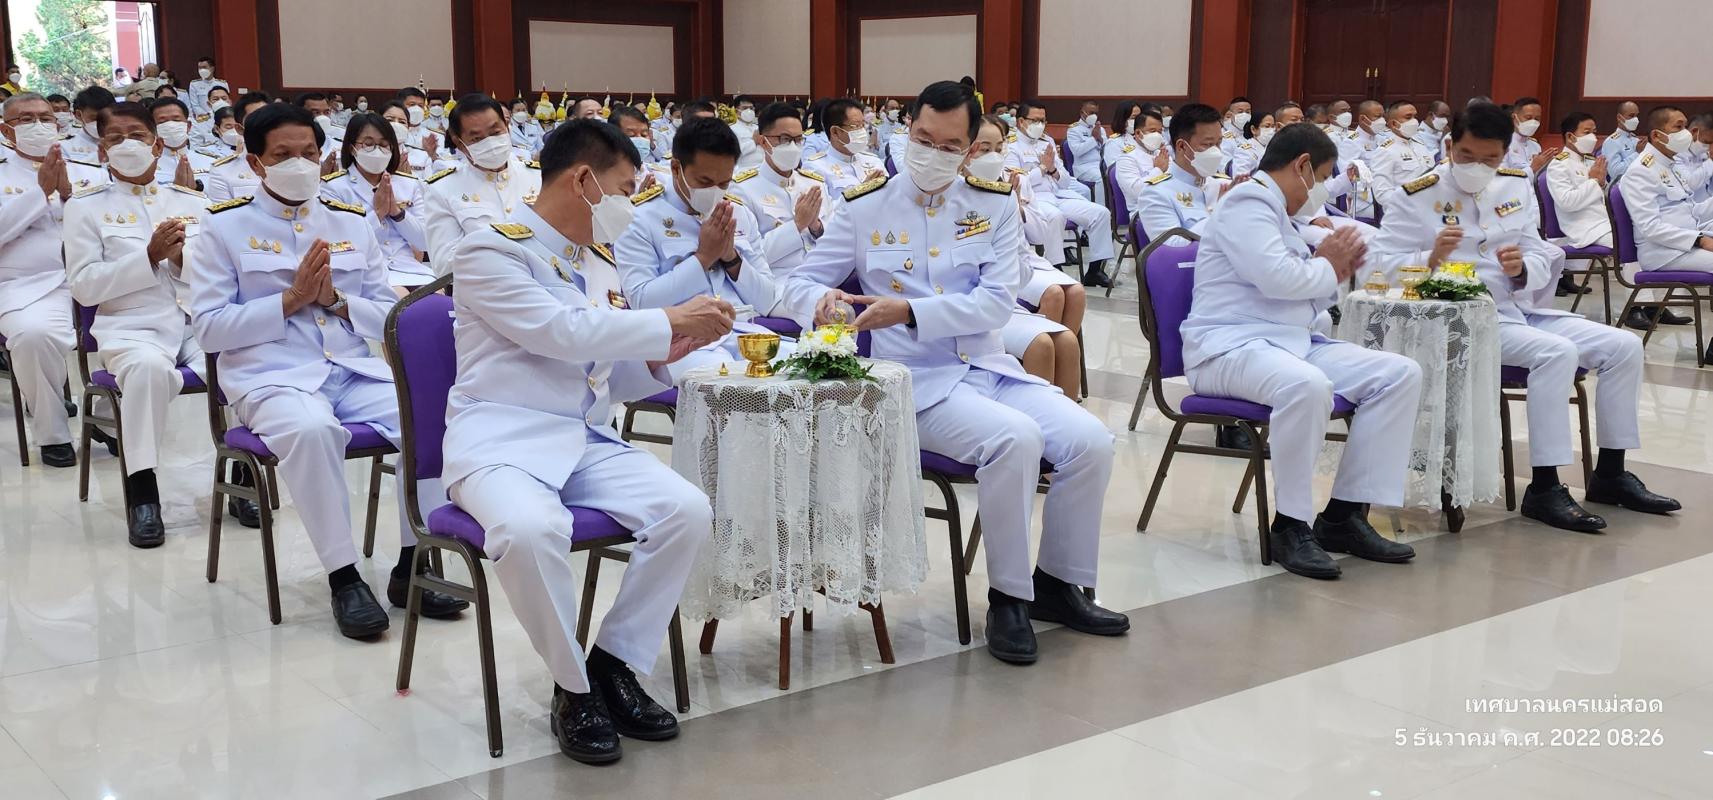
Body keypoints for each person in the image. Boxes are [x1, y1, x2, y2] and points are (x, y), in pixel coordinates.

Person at [781, 80, 1128, 664]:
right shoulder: (865, 207)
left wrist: (911, 310)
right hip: (913, 383)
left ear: (969, 149)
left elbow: (997, 302)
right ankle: (1008, 598)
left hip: (987, 366)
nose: (932, 153)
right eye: (923, 139)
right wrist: (821, 302)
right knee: (1014, 440)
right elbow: (801, 279)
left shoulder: (992, 204)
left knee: (1090, 441)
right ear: (907, 130)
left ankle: (1057, 583)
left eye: (949, 146)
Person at [444, 118, 727, 765]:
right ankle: (573, 690)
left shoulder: (595, 261)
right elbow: (560, 333)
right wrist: (665, 319)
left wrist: (661, 355)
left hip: (581, 438)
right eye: (624, 189)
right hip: (500, 441)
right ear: (582, 180)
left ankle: (613, 663)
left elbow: (602, 372)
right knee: (528, 530)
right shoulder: (490, 250)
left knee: (685, 510)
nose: (630, 203)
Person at [186, 102, 467, 639]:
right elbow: (210, 330)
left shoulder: (349, 220)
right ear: (255, 163)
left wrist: (336, 301)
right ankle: (344, 577)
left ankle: (413, 563)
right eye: (282, 155)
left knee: (435, 419)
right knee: (313, 430)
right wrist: (289, 300)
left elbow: (389, 314)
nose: (299, 164)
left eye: (309, 153)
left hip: (352, 370)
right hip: (271, 375)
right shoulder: (223, 226)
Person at [1373, 102, 1679, 532]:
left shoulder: (1514, 185)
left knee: (1624, 346)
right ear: (1449, 145)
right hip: (1457, 322)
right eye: (1466, 155)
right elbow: (1380, 267)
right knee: (1556, 353)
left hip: (1516, 308)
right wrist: (1430, 257)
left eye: (1489, 158)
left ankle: (1610, 473)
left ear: (1504, 152)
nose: (1477, 167)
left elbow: (1538, 250)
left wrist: (1521, 270)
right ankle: (1545, 487)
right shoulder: (1416, 195)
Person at [1183, 122, 1421, 578]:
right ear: (1302, 166)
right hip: (1227, 348)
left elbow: (1302, 292)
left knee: (1398, 374)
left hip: (1286, 344)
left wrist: (1330, 268)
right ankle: (1291, 525)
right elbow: (1280, 280)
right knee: (1307, 386)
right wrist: (1329, 266)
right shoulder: (1248, 203)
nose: (1323, 189)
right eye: (1324, 177)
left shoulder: (1277, 212)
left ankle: (1344, 516)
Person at [63, 101, 207, 547]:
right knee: (147, 370)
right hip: (132, 327)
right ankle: (142, 491)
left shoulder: (192, 202)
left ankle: (240, 474)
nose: (127, 145)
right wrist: (148, 257)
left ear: (157, 145)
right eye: (115, 138)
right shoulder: (85, 208)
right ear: (102, 151)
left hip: (196, 322)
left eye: (138, 136)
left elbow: (220, 274)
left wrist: (180, 259)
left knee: (244, 357)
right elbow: (84, 286)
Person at [615, 117, 780, 380]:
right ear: (676, 168)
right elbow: (642, 302)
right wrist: (703, 258)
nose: (715, 191)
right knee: (731, 384)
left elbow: (766, 299)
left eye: (724, 183)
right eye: (704, 181)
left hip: (742, 333)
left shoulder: (738, 213)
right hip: (682, 344)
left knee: (805, 369)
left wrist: (731, 258)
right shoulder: (639, 218)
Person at [0, 92, 108, 468]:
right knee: (33, 336)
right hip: (26, 284)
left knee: (137, 329)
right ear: (6, 131)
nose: (39, 125)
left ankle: (106, 421)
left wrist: (67, 196)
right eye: (26, 119)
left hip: (94, 275)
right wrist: (40, 193)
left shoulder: (90, 169)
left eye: (45, 118)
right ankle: (53, 433)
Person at [970, 115, 1084, 398]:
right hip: (973, 301)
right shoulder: (956, 195)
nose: (993, 156)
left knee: (1067, 341)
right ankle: (1038, 412)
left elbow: (1026, 255)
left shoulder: (1009, 188)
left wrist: (1014, 207)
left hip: (1009, 287)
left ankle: (1064, 415)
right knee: (1042, 342)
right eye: (984, 149)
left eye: (999, 148)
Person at [422, 94, 543, 272]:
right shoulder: (442, 189)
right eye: (477, 139)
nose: (490, 142)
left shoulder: (539, 176)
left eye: (495, 133)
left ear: (507, 127)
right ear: (459, 143)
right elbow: (445, 265)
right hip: (488, 285)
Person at [1006, 100, 1116, 287]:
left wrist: (1053, 170)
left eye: (1043, 121)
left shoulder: (1047, 142)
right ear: (1021, 122)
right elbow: (1019, 183)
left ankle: (1095, 270)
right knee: (1055, 217)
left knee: (1101, 213)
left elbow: (1065, 179)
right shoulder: (1011, 146)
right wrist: (1042, 169)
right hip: (1033, 199)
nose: (1040, 125)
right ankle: (1055, 268)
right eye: (1035, 120)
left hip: (1058, 195)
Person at [320, 112, 434, 291]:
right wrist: (378, 214)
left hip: (410, 270)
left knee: (439, 300)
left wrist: (397, 213)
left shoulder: (408, 184)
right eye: (368, 144)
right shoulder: (334, 187)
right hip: (365, 273)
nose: (377, 150)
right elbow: (341, 246)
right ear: (352, 148)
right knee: (405, 301)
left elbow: (424, 241)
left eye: (383, 144)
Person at [728, 102, 827, 302]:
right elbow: (747, 260)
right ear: (763, 142)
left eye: (798, 140)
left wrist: (816, 227)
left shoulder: (814, 183)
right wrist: (797, 225)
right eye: (785, 139)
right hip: (778, 285)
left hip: (824, 277)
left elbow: (835, 242)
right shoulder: (742, 190)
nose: (793, 147)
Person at [1620, 105, 1713, 277]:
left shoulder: (1670, 163)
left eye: (1685, 126)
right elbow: (1650, 227)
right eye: (1678, 127)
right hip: (1664, 253)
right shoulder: (1640, 171)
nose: (1686, 133)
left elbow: (1691, 210)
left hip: (1689, 238)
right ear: (1656, 135)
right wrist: (1699, 240)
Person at [1135, 103, 1234, 245]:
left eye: (1218, 143)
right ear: (1181, 146)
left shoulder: (1224, 185)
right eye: (1207, 145)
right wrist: (1217, 214)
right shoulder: (1156, 193)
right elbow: (1175, 249)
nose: (1216, 151)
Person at [802, 98, 886, 203]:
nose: (862, 130)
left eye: (863, 125)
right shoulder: (815, 168)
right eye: (856, 126)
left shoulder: (874, 161)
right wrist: (860, 192)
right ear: (835, 132)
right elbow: (823, 210)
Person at [1365, 101, 1437, 206]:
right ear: (1394, 124)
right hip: (1406, 209)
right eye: (1408, 117)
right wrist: (1409, 206)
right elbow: (1382, 193)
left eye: (1415, 116)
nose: (1414, 121)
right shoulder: (1385, 151)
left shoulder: (1420, 145)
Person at [205, 92, 271, 203]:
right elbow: (223, 213)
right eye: (255, 118)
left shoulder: (296, 162)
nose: (264, 123)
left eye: (268, 117)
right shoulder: (223, 171)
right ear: (240, 129)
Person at [1112, 107, 1169, 214]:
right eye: (1152, 131)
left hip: (1169, 205)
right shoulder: (1126, 158)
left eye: (1160, 131)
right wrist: (1158, 170)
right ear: (1138, 133)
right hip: (1144, 211)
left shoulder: (1160, 153)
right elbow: (1136, 191)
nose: (1157, 135)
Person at [149, 97, 216, 188]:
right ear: (152, 129)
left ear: (188, 126)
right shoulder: (146, 164)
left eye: (176, 120)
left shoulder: (210, 162)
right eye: (162, 121)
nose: (171, 125)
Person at [1504, 97, 1558, 175]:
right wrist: (1532, 168)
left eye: (1537, 119)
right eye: (1528, 118)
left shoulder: (1535, 146)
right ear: (1514, 117)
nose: (1533, 122)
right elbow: (1501, 177)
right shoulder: (1503, 144)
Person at [64, 86, 116, 163]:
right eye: (95, 118)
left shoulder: (124, 140)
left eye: (107, 118)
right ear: (79, 115)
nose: (102, 123)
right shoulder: (65, 146)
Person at [1063, 100, 1105, 187]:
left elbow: (1107, 149)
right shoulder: (1073, 130)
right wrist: (1094, 138)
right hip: (1083, 167)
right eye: (1091, 113)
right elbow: (1077, 151)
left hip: (1100, 165)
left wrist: (1100, 139)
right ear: (1082, 112)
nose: (1094, 116)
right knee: (1102, 178)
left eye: (1096, 113)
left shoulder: (1100, 129)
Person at [1602, 101, 1643, 180]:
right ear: (1619, 117)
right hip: (1621, 185)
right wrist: (1637, 153)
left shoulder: (1636, 140)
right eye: (1631, 116)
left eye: (1637, 116)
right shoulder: (1611, 141)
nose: (1636, 119)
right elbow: (1615, 172)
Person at [1229, 112, 1276, 177]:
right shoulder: (1244, 151)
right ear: (1253, 129)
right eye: (1267, 126)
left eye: (1273, 127)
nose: (1271, 130)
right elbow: (1240, 176)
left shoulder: (1272, 148)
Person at [1101, 100, 1143, 168]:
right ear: (1123, 119)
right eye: (1134, 117)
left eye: (1140, 117)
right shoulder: (1114, 143)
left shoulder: (1144, 138)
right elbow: (1114, 170)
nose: (1138, 120)